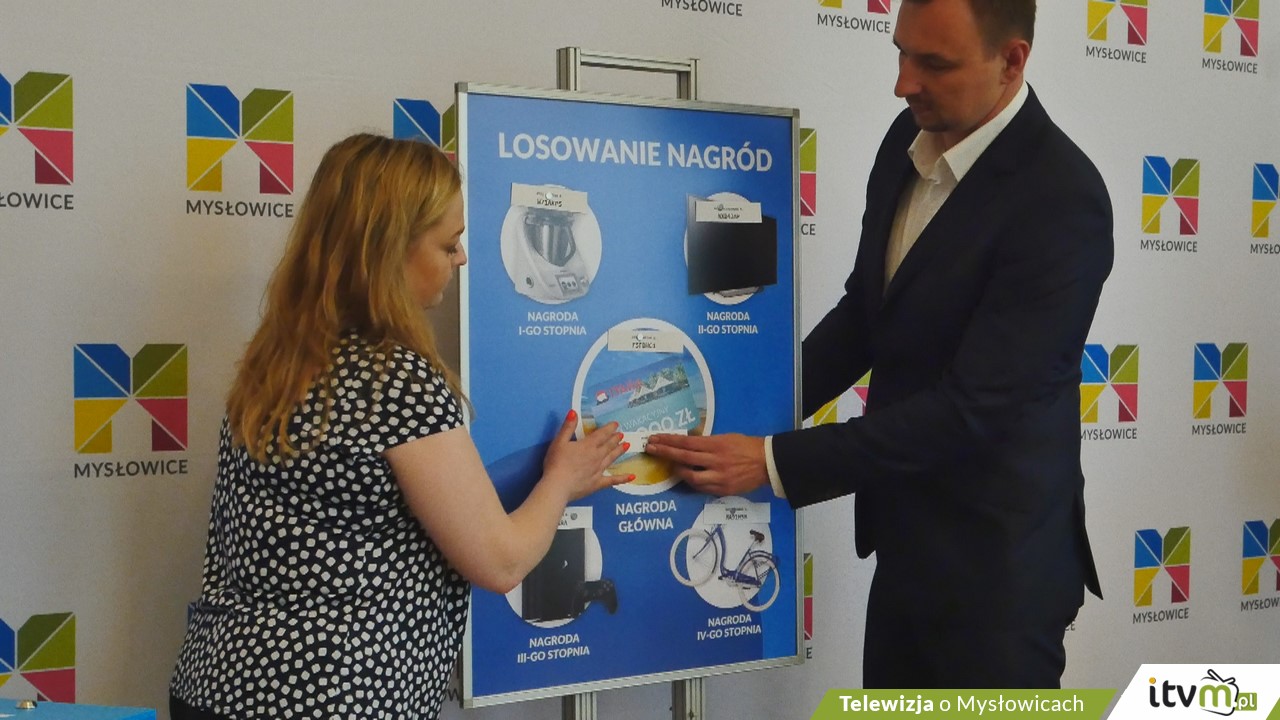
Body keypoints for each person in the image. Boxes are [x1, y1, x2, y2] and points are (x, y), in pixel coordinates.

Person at [646, 0, 1111, 689]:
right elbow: (866, 317)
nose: (903, 83)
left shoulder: (1062, 201)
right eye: (901, 52)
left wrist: (771, 461)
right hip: (903, 548)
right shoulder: (907, 139)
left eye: (934, 64)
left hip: (997, 580)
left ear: (1012, 61)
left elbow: (973, 411)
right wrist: (741, 408)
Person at [169, 134, 629, 719]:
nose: (462, 259)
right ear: (387, 251)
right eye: (448, 243)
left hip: (216, 683)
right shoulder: (396, 381)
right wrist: (561, 480)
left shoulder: (275, 361)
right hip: (334, 699)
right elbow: (501, 562)